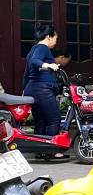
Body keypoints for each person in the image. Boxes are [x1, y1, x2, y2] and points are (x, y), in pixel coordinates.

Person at [22, 24, 63, 153]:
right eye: (55, 38)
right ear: (48, 37)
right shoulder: (42, 48)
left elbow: (26, 73)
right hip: (42, 89)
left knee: (41, 121)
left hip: (33, 89)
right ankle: (50, 151)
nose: (56, 42)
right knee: (54, 119)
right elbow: (35, 61)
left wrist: (25, 90)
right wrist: (48, 65)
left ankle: (40, 151)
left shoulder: (34, 48)